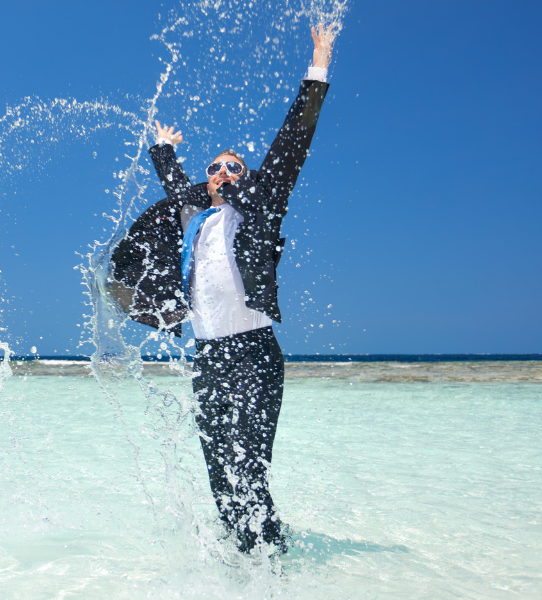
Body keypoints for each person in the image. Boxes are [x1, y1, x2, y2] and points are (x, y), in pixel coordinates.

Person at [110, 23, 338, 553]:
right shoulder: (195, 213)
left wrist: (318, 64)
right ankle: (242, 562)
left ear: (249, 175)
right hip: (209, 356)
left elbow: (294, 140)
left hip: (256, 354)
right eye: (216, 168)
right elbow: (176, 184)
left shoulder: (260, 209)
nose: (224, 173)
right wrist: (163, 149)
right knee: (220, 473)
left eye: (234, 167)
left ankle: (273, 562)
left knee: (251, 470)